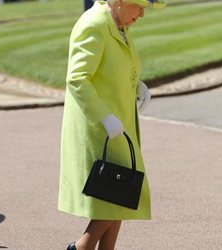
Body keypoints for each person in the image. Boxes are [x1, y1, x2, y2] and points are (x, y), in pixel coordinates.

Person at [58, 0, 165, 249]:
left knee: (119, 194)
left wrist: (136, 84)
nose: (141, 13)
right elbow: (77, 78)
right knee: (117, 195)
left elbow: (117, 64)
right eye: (138, 6)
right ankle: (80, 247)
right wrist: (105, 117)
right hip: (99, 127)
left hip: (117, 125)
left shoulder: (118, 25)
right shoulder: (94, 24)